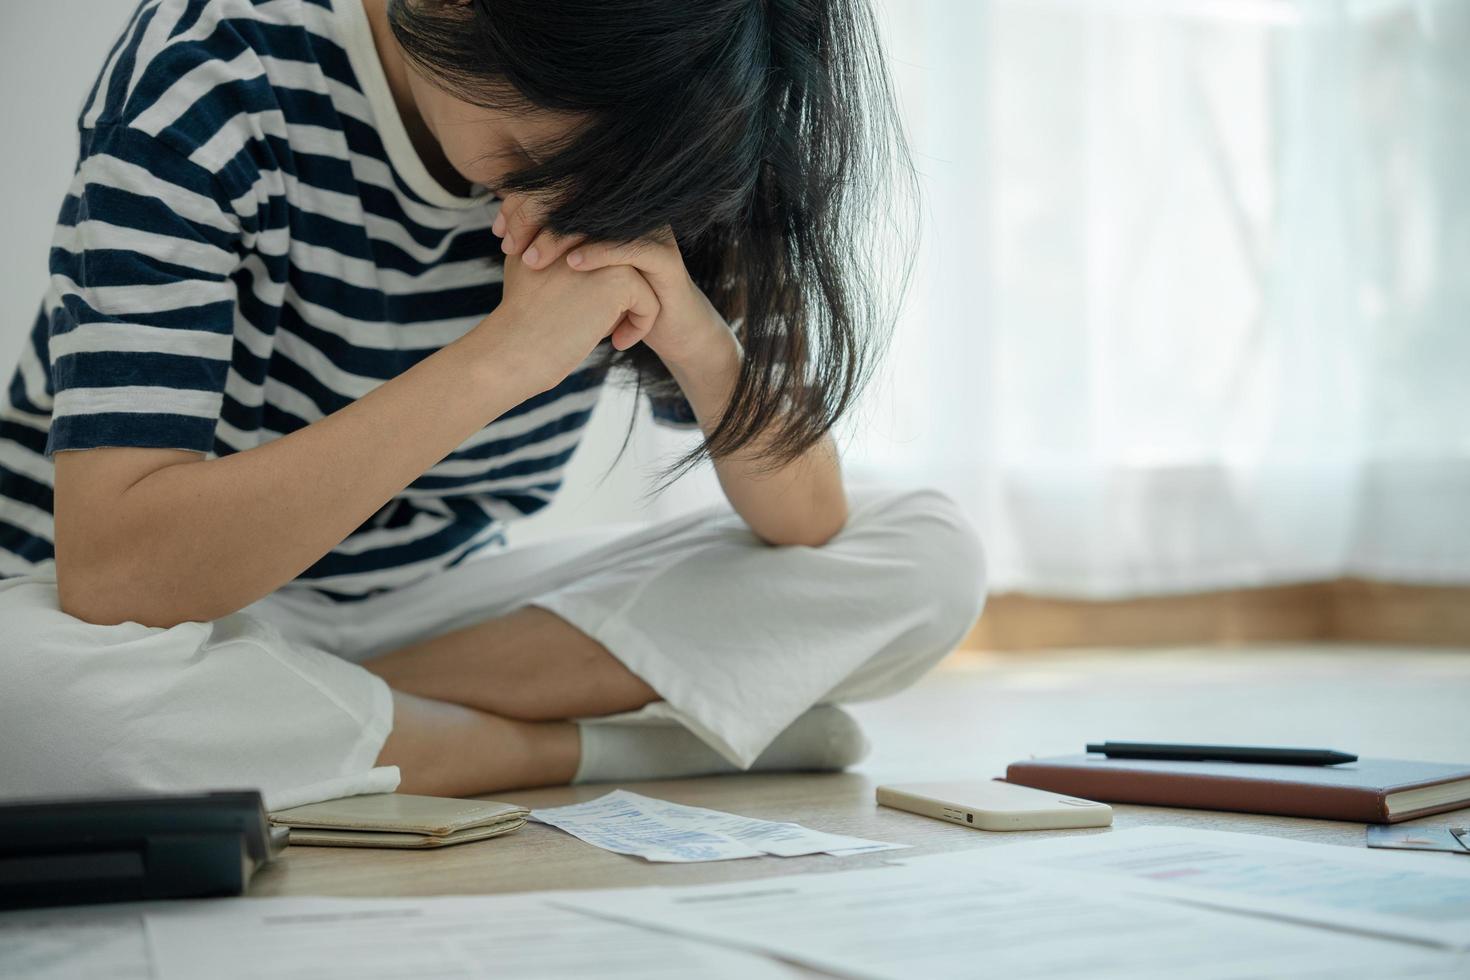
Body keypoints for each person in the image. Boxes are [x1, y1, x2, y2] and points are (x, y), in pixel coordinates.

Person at [0, 0, 985, 809]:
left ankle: (312, 721)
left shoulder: (698, 103)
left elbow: (808, 517)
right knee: (26, 697)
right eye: (541, 158)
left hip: (419, 610)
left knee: (927, 554)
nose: (592, 193)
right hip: (115, 621)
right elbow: (117, 577)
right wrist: (501, 359)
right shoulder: (215, 68)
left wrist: (690, 326)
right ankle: (576, 750)